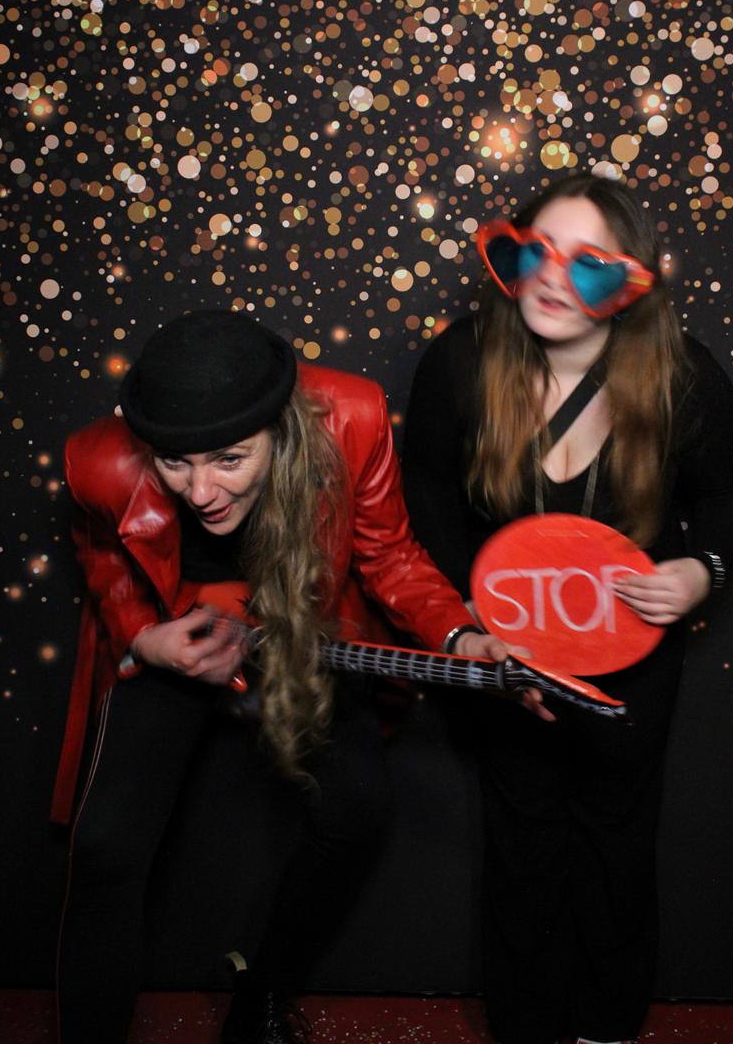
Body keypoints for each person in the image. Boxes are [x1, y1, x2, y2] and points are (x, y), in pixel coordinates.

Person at [52, 308, 519, 1044]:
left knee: (357, 811)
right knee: (105, 845)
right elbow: (105, 559)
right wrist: (144, 636)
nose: (200, 491)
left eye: (229, 460)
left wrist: (460, 635)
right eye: (175, 462)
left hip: (301, 626)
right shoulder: (96, 463)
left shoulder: (352, 418)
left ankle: (262, 994)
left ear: (279, 428)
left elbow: (389, 555)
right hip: (177, 632)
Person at [402, 173, 733, 1044]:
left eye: (589, 264)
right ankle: (525, 1026)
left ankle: (606, 1026)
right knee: (521, 839)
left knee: (617, 842)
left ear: (631, 283)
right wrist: (472, 613)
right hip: (511, 656)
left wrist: (701, 572)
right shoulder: (461, 361)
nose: (553, 280)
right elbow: (428, 492)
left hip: (632, 654)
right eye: (533, 253)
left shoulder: (678, 372)